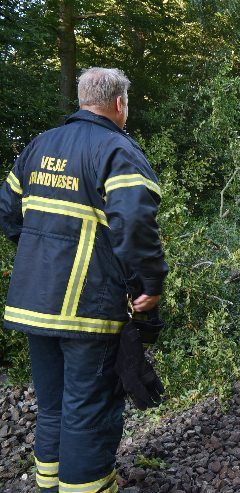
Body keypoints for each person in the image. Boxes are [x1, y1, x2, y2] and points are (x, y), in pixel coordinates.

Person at [0, 68, 168, 493]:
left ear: (81, 99)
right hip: (86, 308)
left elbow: (7, 214)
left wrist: (42, 255)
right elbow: (133, 225)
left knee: (54, 406)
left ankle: (50, 484)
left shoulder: (39, 146)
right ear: (118, 104)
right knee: (89, 409)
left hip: (32, 302)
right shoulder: (116, 149)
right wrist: (149, 283)